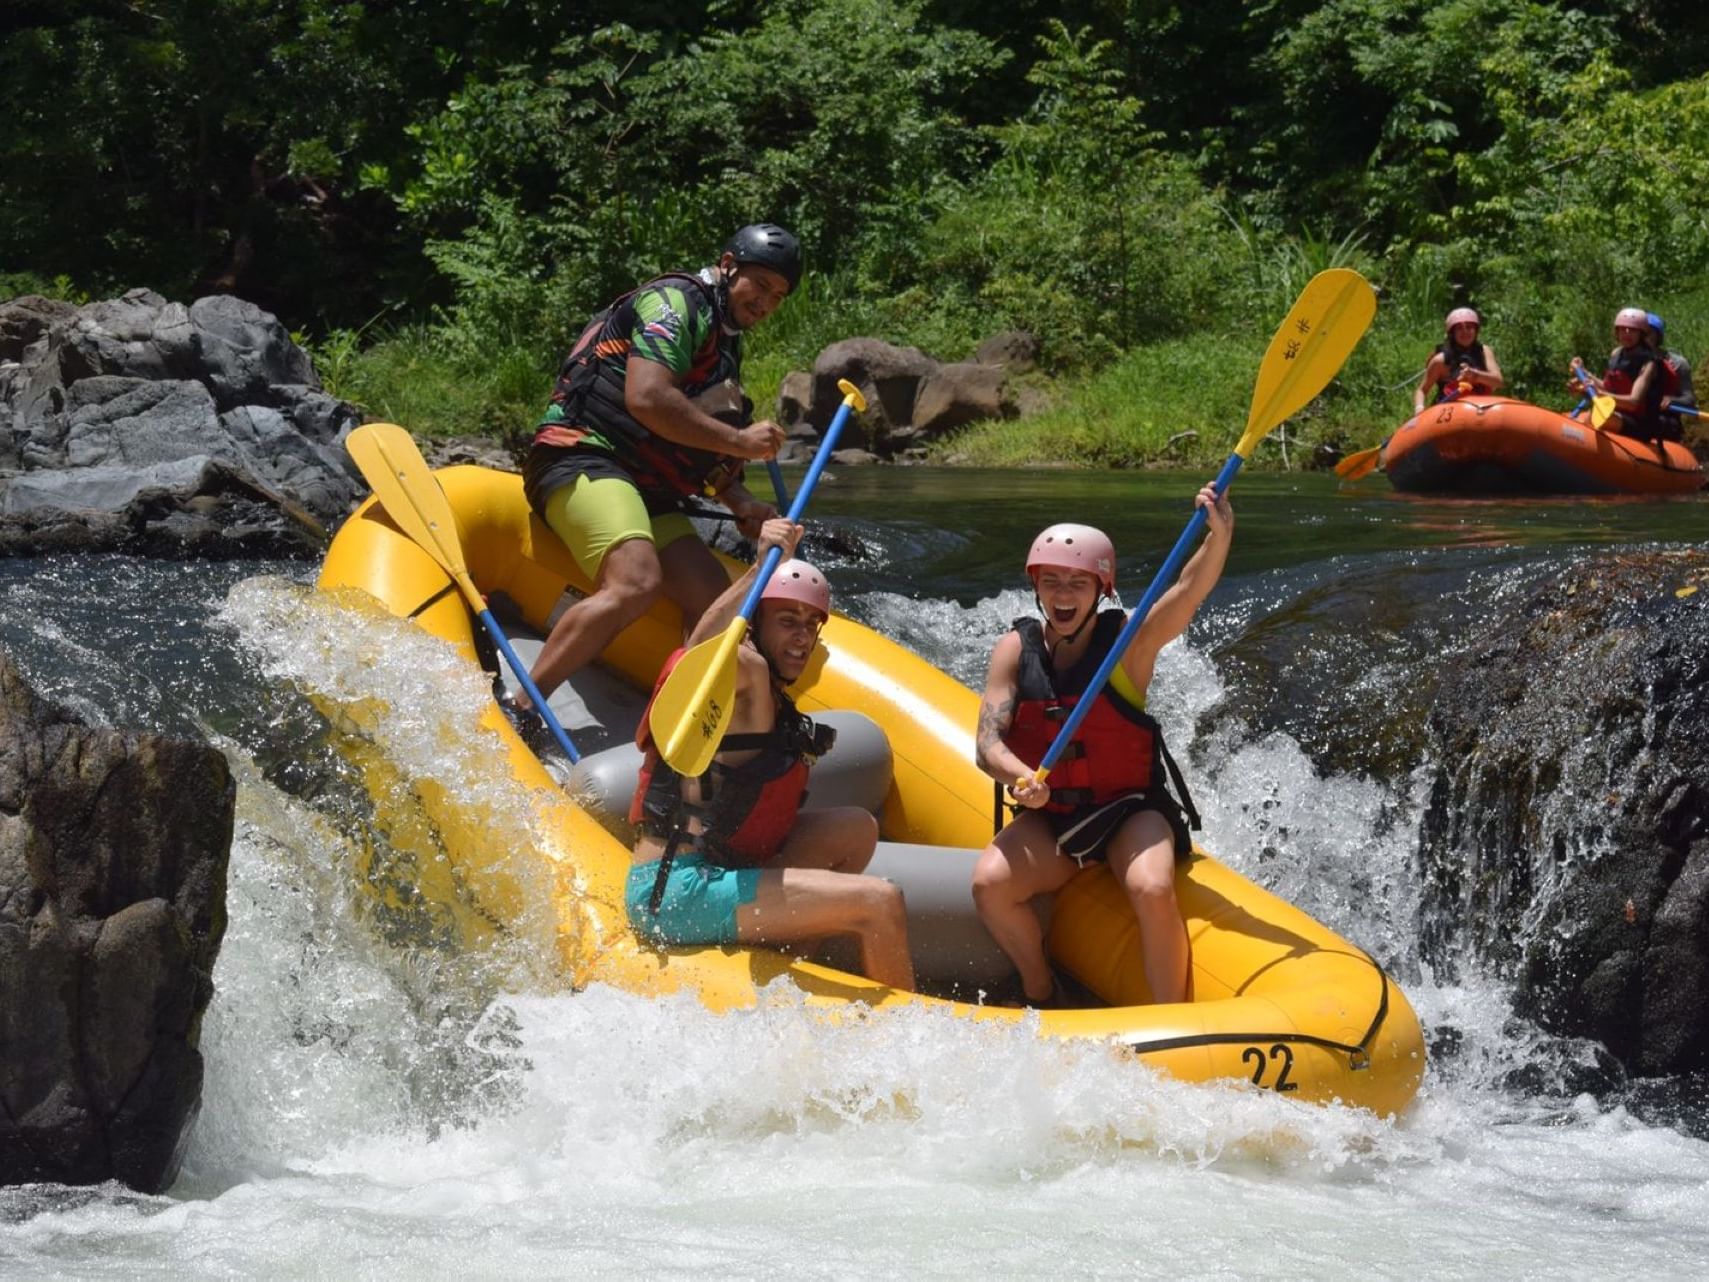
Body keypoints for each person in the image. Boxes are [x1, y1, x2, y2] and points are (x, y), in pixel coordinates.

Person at [508, 225, 800, 737]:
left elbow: (695, 443)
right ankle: (524, 705)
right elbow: (647, 397)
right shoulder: (672, 303)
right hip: (583, 458)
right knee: (638, 582)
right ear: (728, 264)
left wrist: (737, 500)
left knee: (716, 600)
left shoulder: (726, 349)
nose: (767, 302)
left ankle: (682, 726)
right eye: (760, 284)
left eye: (779, 296)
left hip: (649, 490)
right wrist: (739, 444)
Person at [625, 517, 914, 990]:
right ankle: (912, 1043)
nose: (801, 637)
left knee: (854, 828)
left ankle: (787, 979)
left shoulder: (774, 699)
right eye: (786, 622)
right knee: (879, 901)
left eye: (810, 626)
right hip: (676, 891)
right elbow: (699, 657)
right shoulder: (744, 671)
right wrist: (756, 569)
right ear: (756, 625)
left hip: (726, 868)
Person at [970, 488, 1232, 1007]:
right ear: (1036, 587)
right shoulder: (1014, 649)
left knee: (1152, 888)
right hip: (1056, 816)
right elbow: (987, 742)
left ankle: (1170, 1018)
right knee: (989, 884)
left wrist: (1218, 535)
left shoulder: (1128, 645)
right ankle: (1041, 988)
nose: (1063, 594)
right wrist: (1018, 775)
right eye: (1052, 581)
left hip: (1128, 811)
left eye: (1077, 582)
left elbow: (1185, 592)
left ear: (1100, 588)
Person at [1572, 306, 1671, 443]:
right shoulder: (1616, 354)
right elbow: (1608, 387)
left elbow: (1633, 402)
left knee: (1601, 417)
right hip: (1619, 413)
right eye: (1622, 329)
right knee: (1593, 415)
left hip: (1641, 423)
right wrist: (1584, 372)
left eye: (1632, 330)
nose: (1627, 333)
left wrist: (1600, 393)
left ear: (1641, 334)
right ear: (1616, 332)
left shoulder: (1649, 363)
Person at [1413, 306, 1505, 415]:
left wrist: (1476, 375)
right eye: (1459, 328)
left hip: (1481, 410)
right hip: (1448, 413)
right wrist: (1419, 408)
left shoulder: (1484, 351)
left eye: (1469, 327)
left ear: (1476, 331)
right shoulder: (1440, 360)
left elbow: (1499, 382)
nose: (1465, 332)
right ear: (1452, 333)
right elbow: (1422, 390)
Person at [1646, 312, 1697, 431]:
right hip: (1636, 415)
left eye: (1649, 333)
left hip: (1664, 418)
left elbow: (1689, 399)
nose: (1644, 337)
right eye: (1641, 333)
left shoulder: (1678, 363)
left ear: (1657, 337)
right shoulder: (1625, 358)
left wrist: (1671, 399)